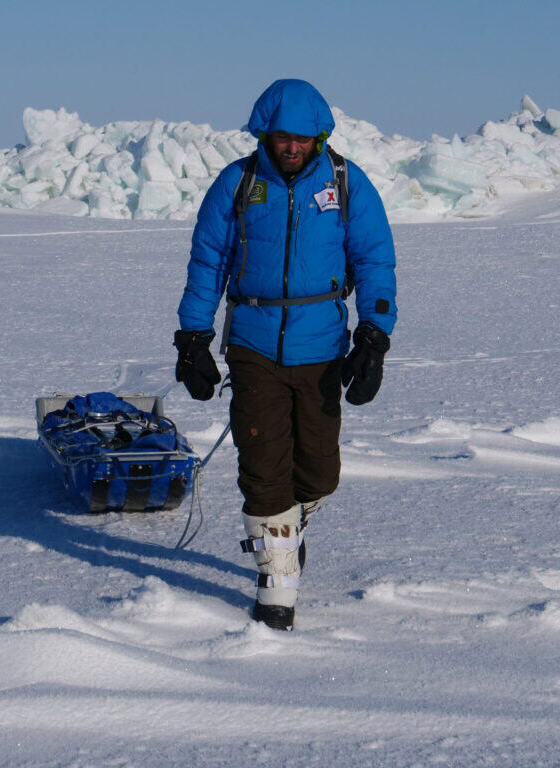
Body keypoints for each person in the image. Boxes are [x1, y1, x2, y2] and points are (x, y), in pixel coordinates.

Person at [174, 79, 397, 631]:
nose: (291, 147)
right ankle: (277, 584)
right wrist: (192, 339)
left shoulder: (346, 183)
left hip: (322, 347)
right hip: (253, 345)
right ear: (264, 134)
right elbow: (208, 263)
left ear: (319, 136)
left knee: (319, 472)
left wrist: (374, 335)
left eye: (301, 138)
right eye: (281, 137)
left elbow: (374, 260)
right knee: (263, 463)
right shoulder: (239, 182)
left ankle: (288, 527)